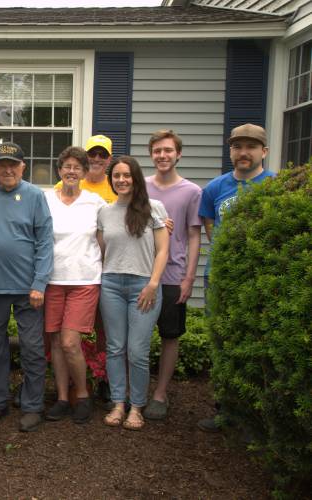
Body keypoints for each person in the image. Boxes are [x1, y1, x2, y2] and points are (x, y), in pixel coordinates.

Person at [196, 123, 275, 432]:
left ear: (263, 151)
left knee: (257, 346)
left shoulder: (274, 186)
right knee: (221, 343)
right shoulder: (215, 188)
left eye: (251, 147)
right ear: (231, 151)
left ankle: (256, 415)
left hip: (260, 280)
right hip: (219, 277)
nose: (244, 152)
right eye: (238, 147)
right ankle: (226, 408)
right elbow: (211, 230)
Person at [0, 142, 53, 433]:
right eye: (2, 164)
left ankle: (33, 405)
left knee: (32, 349)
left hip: (27, 289)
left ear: (23, 167)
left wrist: (39, 283)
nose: (8, 169)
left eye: (13, 164)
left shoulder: (34, 196)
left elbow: (45, 242)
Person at [97, 156, 169, 431]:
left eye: (127, 175)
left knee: (137, 351)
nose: (121, 180)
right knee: (115, 348)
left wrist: (153, 283)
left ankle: (136, 407)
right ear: (111, 180)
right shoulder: (104, 212)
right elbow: (103, 252)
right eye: (116, 176)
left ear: (135, 178)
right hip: (112, 285)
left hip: (144, 286)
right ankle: (118, 403)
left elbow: (162, 249)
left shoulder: (154, 208)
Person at [43, 147, 107, 424]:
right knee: (56, 342)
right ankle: (60, 397)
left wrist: (159, 222)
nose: (71, 171)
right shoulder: (45, 199)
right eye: (67, 166)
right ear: (60, 170)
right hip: (52, 280)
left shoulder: (96, 203)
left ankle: (81, 395)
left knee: (70, 342)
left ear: (84, 172)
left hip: (84, 280)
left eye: (77, 167)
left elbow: (112, 235)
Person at [143, 130, 202, 420]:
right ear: (151, 154)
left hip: (173, 276)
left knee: (169, 336)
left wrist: (189, 278)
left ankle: (160, 393)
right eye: (157, 151)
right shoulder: (140, 187)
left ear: (178, 154)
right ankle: (135, 390)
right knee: (135, 337)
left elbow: (193, 235)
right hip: (141, 275)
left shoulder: (191, 192)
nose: (162, 156)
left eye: (168, 150)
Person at [55, 135, 117, 204]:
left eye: (103, 155)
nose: (96, 159)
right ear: (85, 156)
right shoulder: (64, 185)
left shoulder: (116, 187)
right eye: (92, 154)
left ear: (110, 159)